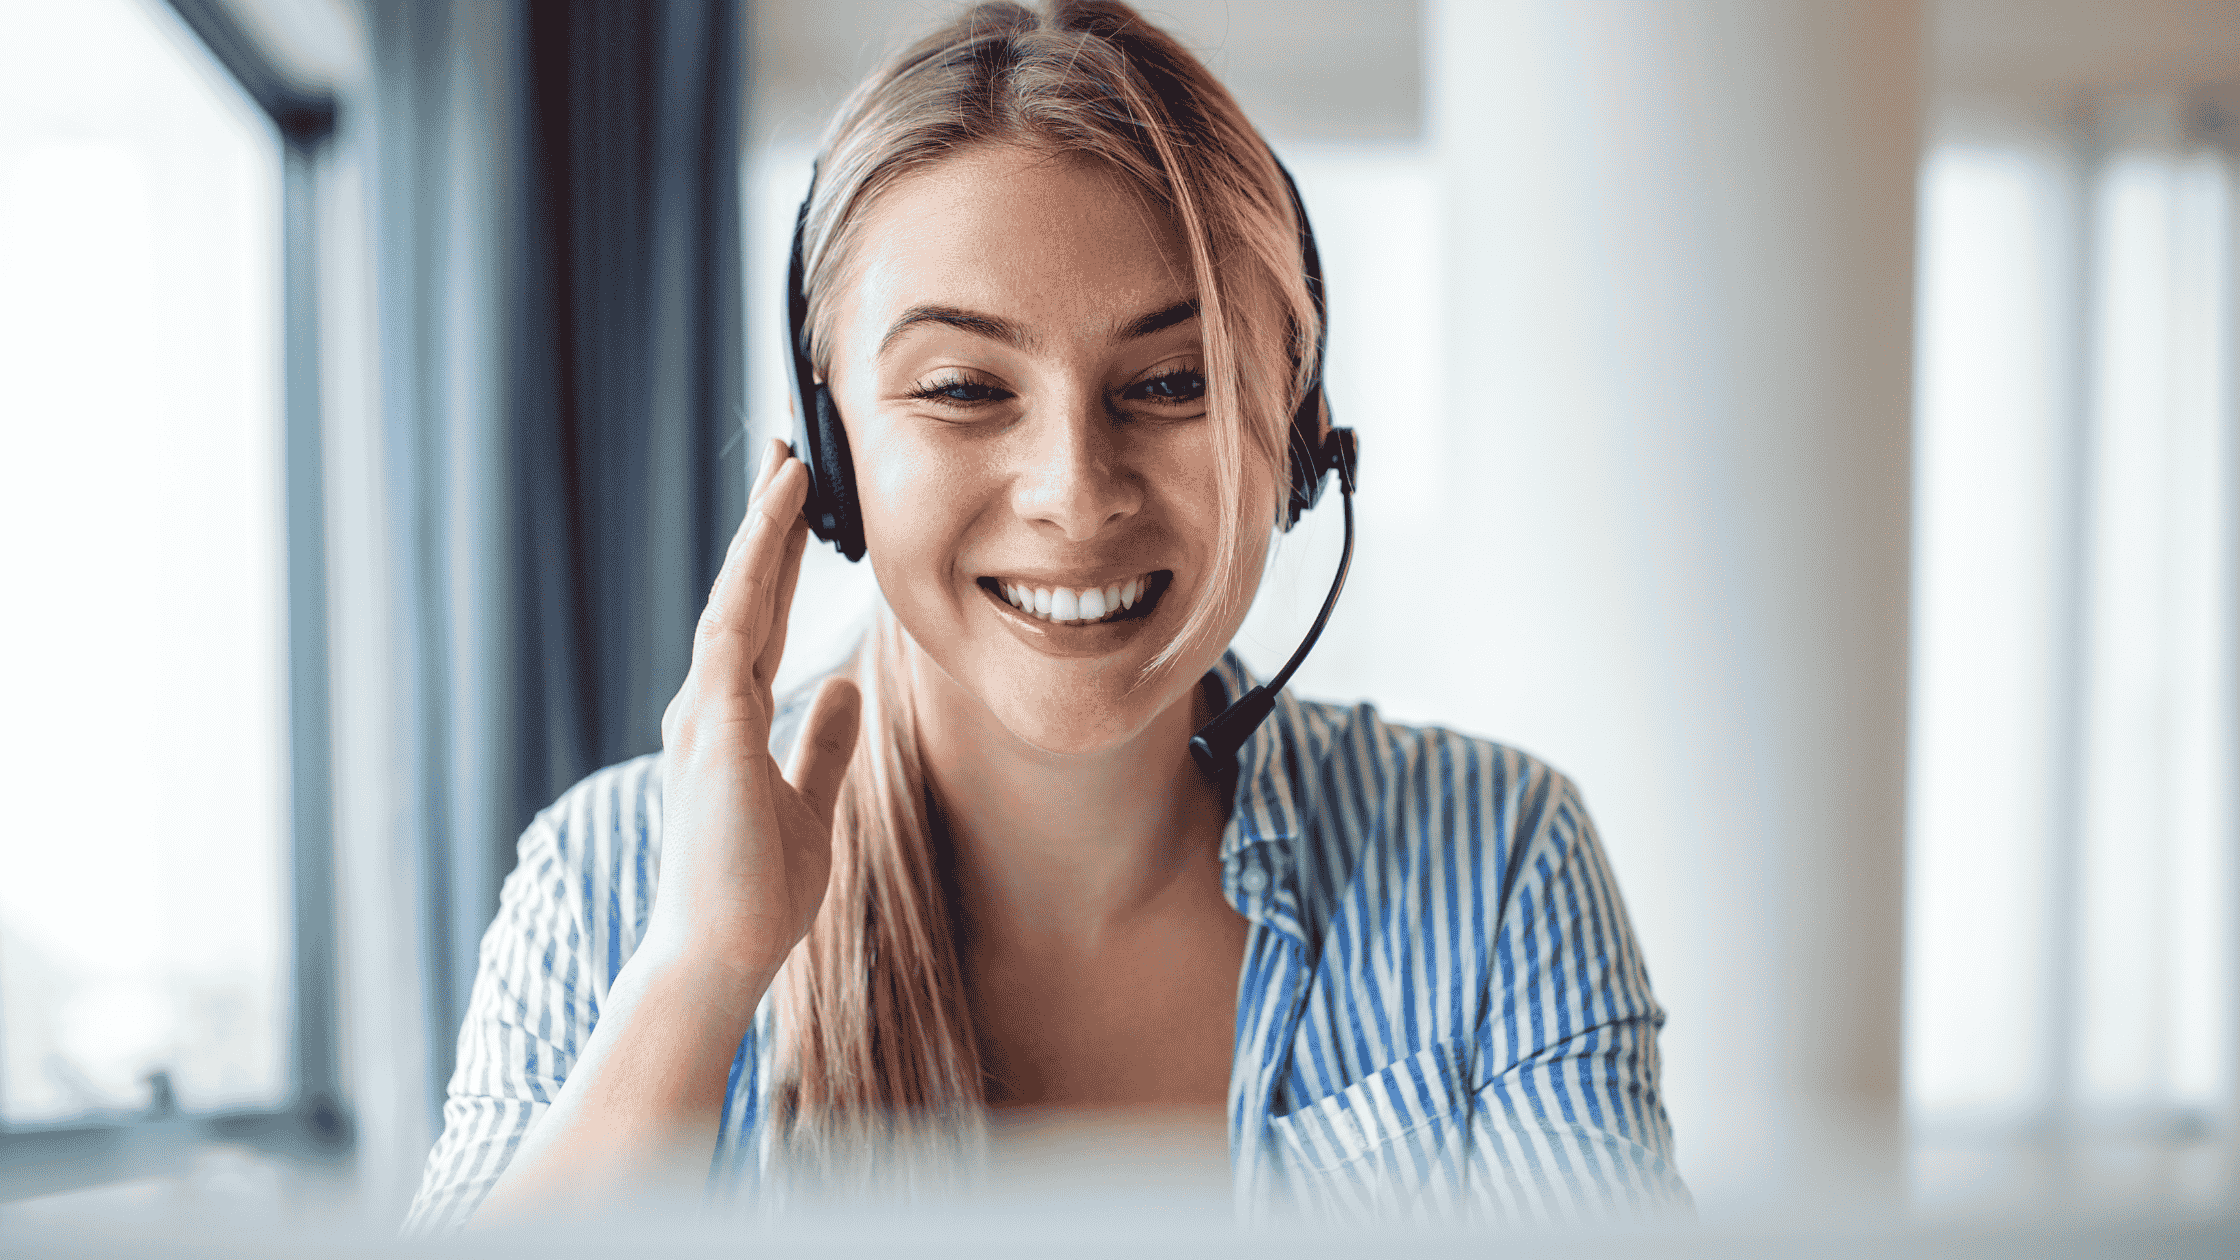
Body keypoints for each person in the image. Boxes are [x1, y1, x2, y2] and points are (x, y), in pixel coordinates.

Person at [406, 0, 1687, 1232]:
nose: (1074, 494)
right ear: (829, 456)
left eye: (1174, 381)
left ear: (1294, 433)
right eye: (963, 387)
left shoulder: (1497, 863)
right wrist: (695, 973)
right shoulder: (606, 885)